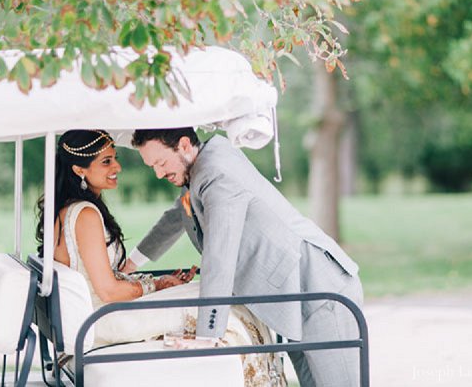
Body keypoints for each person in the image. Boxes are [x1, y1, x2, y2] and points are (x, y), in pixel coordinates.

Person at [36, 130, 286, 385]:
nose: (117, 167)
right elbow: (109, 291)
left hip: (100, 311)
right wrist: (155, 284)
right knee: (232, 314)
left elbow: (102, 276)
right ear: (80, 170)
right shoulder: (86, 214)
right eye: (106, 161)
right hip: (101, 319)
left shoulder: (66, 209)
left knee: (211, 295)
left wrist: (153, 280)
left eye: (115, 158)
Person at [124, 128, 364, 387]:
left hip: (320, 292)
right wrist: (129, 264)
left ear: (183, 145)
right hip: (295, 296)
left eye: (161, 163)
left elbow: (219, 255)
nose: (159, 173)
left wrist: (208, 335)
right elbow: (175, 217)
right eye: (152, 167)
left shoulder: (217, 174)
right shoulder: (200, 168)